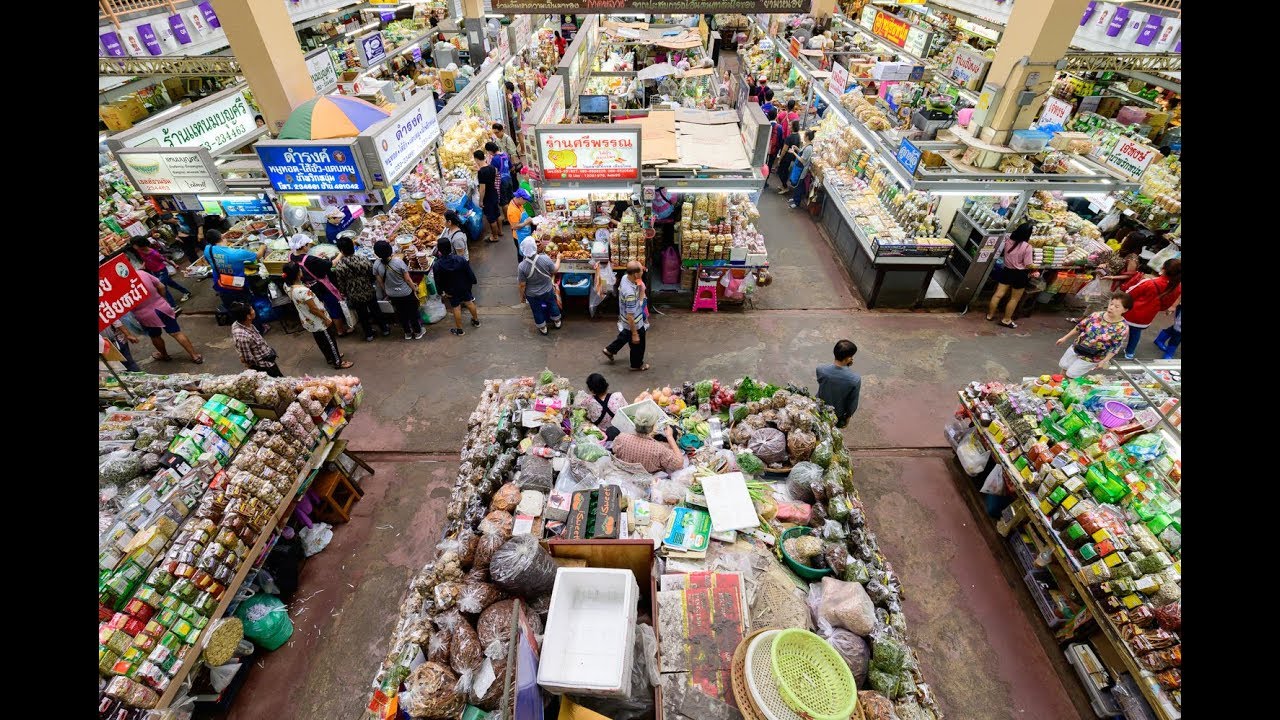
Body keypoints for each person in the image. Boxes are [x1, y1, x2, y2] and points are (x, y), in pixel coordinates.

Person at [283, 262, 354, 369]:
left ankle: (329, 357)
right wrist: (325, 318)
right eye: (300, 270)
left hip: (308, 321)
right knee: (330, 341)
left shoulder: (287, 287)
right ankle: (337, 362)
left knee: (321, 341)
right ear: (298, 273)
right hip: (318, 320)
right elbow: (314, 308)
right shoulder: (304, 291)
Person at [204, 230, 270, 333]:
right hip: (238, 286)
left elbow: (215, 258)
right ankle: (259, 329)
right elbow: (258, 256)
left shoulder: (208, 250)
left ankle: (243, 330)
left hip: (222, 285)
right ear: (222, 237)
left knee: (234, 310)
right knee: (248, 309)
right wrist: (263, 246)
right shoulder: (237, 253)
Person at [134, 269, 203, 364]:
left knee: (155, 336)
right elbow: (161, 286)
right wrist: (162, 299)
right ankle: (195, 355)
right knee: (176, 333)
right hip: (162, 307)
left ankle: (164, 355)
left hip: (144, 315)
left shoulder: (118, 285)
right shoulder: (141, 273)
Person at [1056, 292, 1132, 377]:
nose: (1111, 308)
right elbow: (1080, 327)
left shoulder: (1122, 328)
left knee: (1071, 374)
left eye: (1116, 306)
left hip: (1092, 357)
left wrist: (1104, 361)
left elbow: (1115, 348)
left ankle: (1066, 386)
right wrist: (1065, 338)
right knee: (1064, 366)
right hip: (1077, 348)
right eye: (1111, 304)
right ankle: (1059, 384)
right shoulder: (1096, 315)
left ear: (1125, 310)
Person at [288, 233, 350, 336]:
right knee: (333, 306)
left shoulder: (291, 256)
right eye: (308, 245)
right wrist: (341, 253)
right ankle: (340, 331)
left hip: (306, 286)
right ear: (303, 246)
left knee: (320, 305)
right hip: (321, 286)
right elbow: (332, 263)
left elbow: (307, 262)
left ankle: (331, 325)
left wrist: (317, 258)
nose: (309, 246)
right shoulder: (310, 260)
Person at [1120, 258, 1181, 359]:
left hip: (1130, 313)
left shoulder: (1149, 282)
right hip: (1147, 318)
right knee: (1135, 334)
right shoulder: (1177, 288)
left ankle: (1111, 348)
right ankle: (1130, 353)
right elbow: (1165, 306)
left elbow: (1129, 294)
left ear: (1163, 268)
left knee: (1119, 331)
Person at [333, 236, 388, 342]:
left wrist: (345, 293)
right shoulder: (363, 259)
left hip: (354, 295)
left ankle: (369, 334)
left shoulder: (340, 266)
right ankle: (385, 329)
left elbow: (341, 283)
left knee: (362, 315)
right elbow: (371, 274)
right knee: (376, 311)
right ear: (353, 247)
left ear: (341, 251)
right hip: (368, 290)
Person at [985, 222, 1037, 329]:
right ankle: (1006, 320)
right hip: (1020, 274)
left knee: (998, 294)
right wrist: (1036, 266)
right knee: (1014, 299)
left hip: (1006, 271)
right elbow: (1028, 264)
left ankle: (990, 315)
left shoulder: (1008, 240)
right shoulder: (1027, 247)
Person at [372, 239, 426, 340]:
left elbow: (380, 282)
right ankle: (418, 332)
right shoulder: (398, 262)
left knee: (401, 314)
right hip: (406, 293)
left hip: (392, 294)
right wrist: (414, 289)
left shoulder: (376, 265)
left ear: (376, 253)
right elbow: (408, 279)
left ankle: (407, 333)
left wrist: (388, 291)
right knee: (413, 312)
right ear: (389, 250)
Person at [602, 261, 649, 371]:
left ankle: (610, 350)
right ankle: (637, 365)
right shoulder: (630, 293)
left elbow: (639, 284)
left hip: (626, 319)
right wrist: (635, 333)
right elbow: (630, 316)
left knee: (625, 335)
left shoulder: (625, 278)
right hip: (634, 322)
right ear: (636, 274)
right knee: (638, 345)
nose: (643, 271)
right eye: (641, 270)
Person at [610, 406, 684, 474]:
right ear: (653, 425)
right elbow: (679, 463)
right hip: (648, 479)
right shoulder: (659, 449)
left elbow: (614, 449)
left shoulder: (621, 438)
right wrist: (670, 437)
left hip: (624, 473)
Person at [433, 237, 481, 336]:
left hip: (450, 290)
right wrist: (472, 282)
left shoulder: (437, 265)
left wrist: (441, 292)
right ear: (450, 247)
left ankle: (460, 330)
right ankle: (476, 321)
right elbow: (469, 272)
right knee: (469, 302)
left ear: (439, 250)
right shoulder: (460, 259)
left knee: (456, 307)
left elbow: (437, 281)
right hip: (464, 286)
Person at [518, 237, 562, 336]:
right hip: (547, 289)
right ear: (535, 247)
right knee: (552, 304)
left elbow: (522, 285)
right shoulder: (545, 258)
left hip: (532, 294)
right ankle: (557, 321)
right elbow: (555, 270)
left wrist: (522, 297)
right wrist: (558, 259)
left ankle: (543, 327)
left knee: (536, 310)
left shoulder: (521, 266)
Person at [229, 302, 283, 377]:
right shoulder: (243, 337)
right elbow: (247, 359)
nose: (254, 311)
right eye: (252, 310)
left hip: (268, 359)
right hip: (264, 367)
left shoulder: (238, 323)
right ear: (248, 316)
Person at [132, 237, 190, 306]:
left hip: (161, 271)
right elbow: (145, 259)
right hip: (154, 271)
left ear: (139, 244)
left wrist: (174, 265)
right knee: (171, 283)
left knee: (163, 287)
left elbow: (164, 259)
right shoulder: (140, 251)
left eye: (134, 244)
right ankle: (186, 292)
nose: (133, 246)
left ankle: (173, 306)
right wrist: (143, 265)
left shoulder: (153, 253)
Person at [817, 340, 862, 429]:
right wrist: (848, 418)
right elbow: (852, 403)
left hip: (819, 407)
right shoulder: (855, 379)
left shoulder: (820, 369)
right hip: (837, 414)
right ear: (849, 359)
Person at [579, 373, 627, 440]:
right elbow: (626, 411)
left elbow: (579, 406)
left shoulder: (589, 401)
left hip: (602, 435)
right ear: (605, 384)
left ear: (591, 390)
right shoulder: (618, 396)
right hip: (621, 431)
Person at [475, 149, 502, 243]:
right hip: (494, 192)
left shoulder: (481, 172)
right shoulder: (491, 167)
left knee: (491, 218)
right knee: (497, 213)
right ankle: (500, 231)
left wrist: (481, 201)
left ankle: (494, 237)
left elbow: (482, 189)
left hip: (488, 197)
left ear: (477, 159)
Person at [788, 129, 816, 209]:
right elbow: (802, 152)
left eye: (804, 135)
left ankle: (797, 202)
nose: (803, 137)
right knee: (796, 184)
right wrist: (796, 148)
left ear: (807, 137)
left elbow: (802, 160)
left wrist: (793, 153)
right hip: (798, 167)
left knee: (798, 185)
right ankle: (794, 198)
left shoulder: (808, 148)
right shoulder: (806, 145)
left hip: (801, 170)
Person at [486, 140, 514, 216]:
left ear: (490, 151)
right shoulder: (505, 155)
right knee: (511, 199)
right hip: (509, 179)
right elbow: (511, 167)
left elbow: (493, 172)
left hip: (502, 182)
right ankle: (514, 213)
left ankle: (507, 218)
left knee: (504, 201)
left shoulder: (494, 159)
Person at [775, 120, 801, 192]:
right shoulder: (798, 136)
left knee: (780, 171)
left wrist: (780, 158)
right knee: (786, 172)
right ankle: (784, 185)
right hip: (792, 158)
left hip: (786, 158)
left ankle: (785, 187)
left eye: (790, 125)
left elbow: (784, 149)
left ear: (793, 127)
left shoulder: (789, 137)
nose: (788, 126)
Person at [506, 189, 535, 253]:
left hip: (525, 232)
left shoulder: (518, 204)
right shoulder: (513, 210)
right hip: (520, 237)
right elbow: (515, 226)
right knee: (522, 255)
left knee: (527, 253)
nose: (526, 202)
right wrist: (526, 222)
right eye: (526, 200)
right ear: (521, 198)